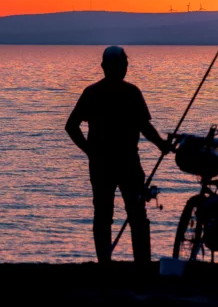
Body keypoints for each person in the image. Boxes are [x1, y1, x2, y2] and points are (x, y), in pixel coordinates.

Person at [65, 46, 170, 264]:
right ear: (121, 67)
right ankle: (141, 264)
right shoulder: (131, 92)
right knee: (136, 215)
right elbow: (145, 127)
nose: (124, 68)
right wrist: (161, 144)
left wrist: (89, 152)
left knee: (103, 215)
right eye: (124, 64)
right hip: (128, 163)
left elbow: (71, 126)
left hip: (101, 164)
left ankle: (105, 262)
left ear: (104, 66)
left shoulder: (92, 93)